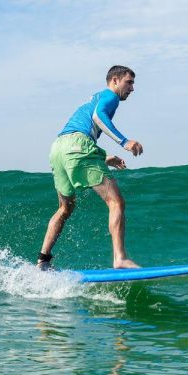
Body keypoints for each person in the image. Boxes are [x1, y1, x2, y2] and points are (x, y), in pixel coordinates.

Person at [38, 65, 144, 270]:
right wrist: (124, 142)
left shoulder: (93, 98)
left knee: (65, 207)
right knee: (116, 202)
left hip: (59, 148)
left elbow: (77, 137)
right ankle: (120, 258)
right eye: (128, 82)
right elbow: (98, 118)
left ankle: (42, 261)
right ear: (115, 80)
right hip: (78, 145)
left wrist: (103, 156)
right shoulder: (110, 97)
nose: (132, 88)